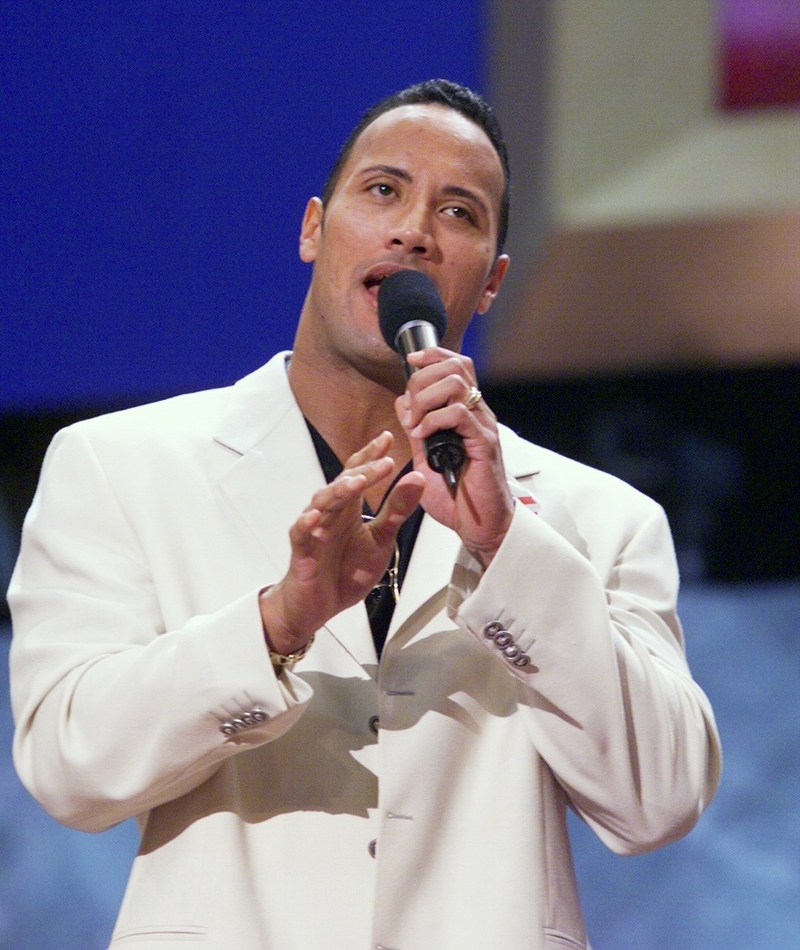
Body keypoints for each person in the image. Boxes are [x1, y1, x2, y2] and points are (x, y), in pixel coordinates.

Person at [8, 79, 721, 950]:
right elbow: (69, 766)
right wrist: (277, 624)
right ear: (314, 228)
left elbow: (660, 798)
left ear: (491, 281)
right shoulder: (120, 466)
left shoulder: (601, 520)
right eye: (384, 190)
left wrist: (509, 551)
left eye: (459, 212)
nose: (415, 229)